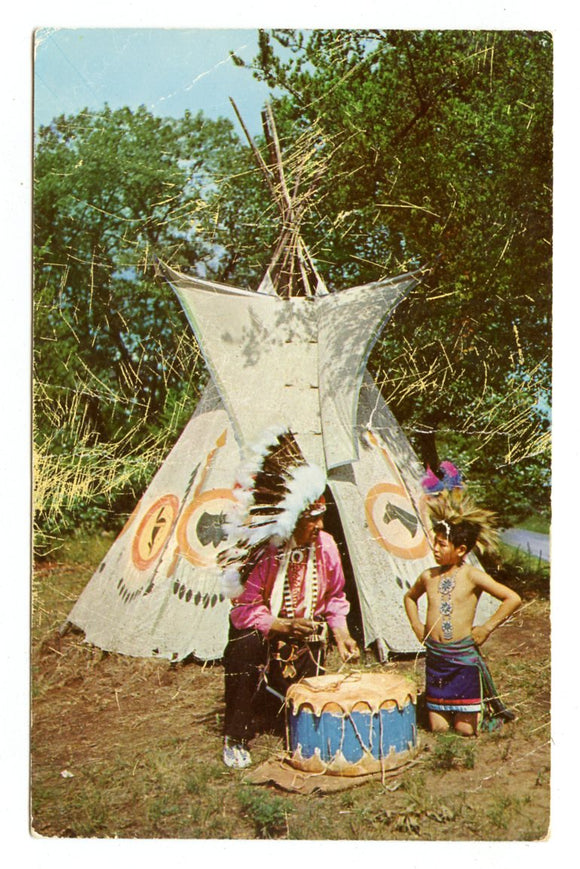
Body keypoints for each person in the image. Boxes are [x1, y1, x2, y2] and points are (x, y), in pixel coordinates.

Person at [219, 429, 359, 769]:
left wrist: (342, 634)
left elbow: (335, 598)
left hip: (301, 639)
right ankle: (235, 734)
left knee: (295, 715)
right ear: (294, 520)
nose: (320, 525)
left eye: (321, 518)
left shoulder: (325, 547)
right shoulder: (268, 553)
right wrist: (281, 625)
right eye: (313, 519)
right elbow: (243, 610)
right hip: (267, 635)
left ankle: (277, 705)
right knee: (245, 643)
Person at [404, 482, 521, 737]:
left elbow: (512, 598)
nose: (435, 548)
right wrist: (416, 626)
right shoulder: (427, 576)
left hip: (462, 660)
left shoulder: (471, 575)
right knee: (438, 728)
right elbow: (409, 598)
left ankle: (482, 710)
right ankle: (453, 709)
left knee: (465, 731)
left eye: (442, 544)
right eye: (435, 542)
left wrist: (487, 628)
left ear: (461, 550)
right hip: (437, 659)